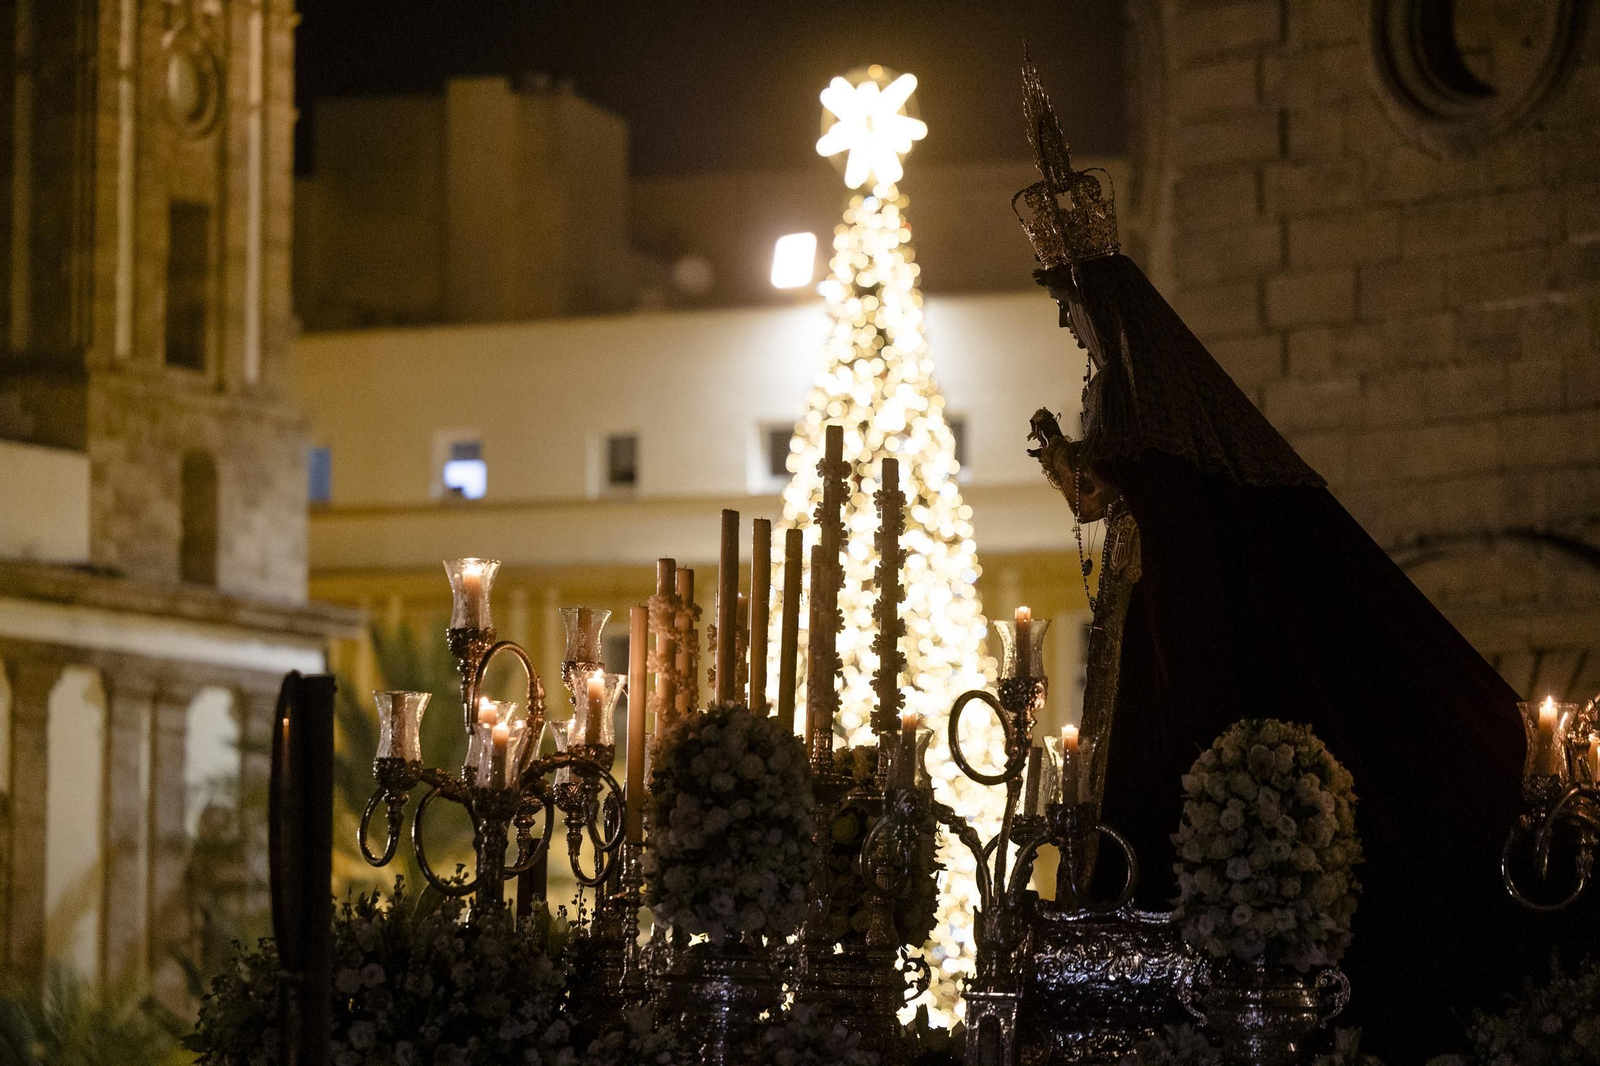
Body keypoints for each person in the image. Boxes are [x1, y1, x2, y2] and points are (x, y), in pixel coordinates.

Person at [1013, 57, 1545, 1057]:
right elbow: (1126, 499)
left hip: (1183, 685)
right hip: (1140, 655)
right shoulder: (1131, 421)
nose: (1071, 329)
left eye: (1073, 311)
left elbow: (1157, 503)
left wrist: (1093, 477)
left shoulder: (1158, 433)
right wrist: (1080, 475)